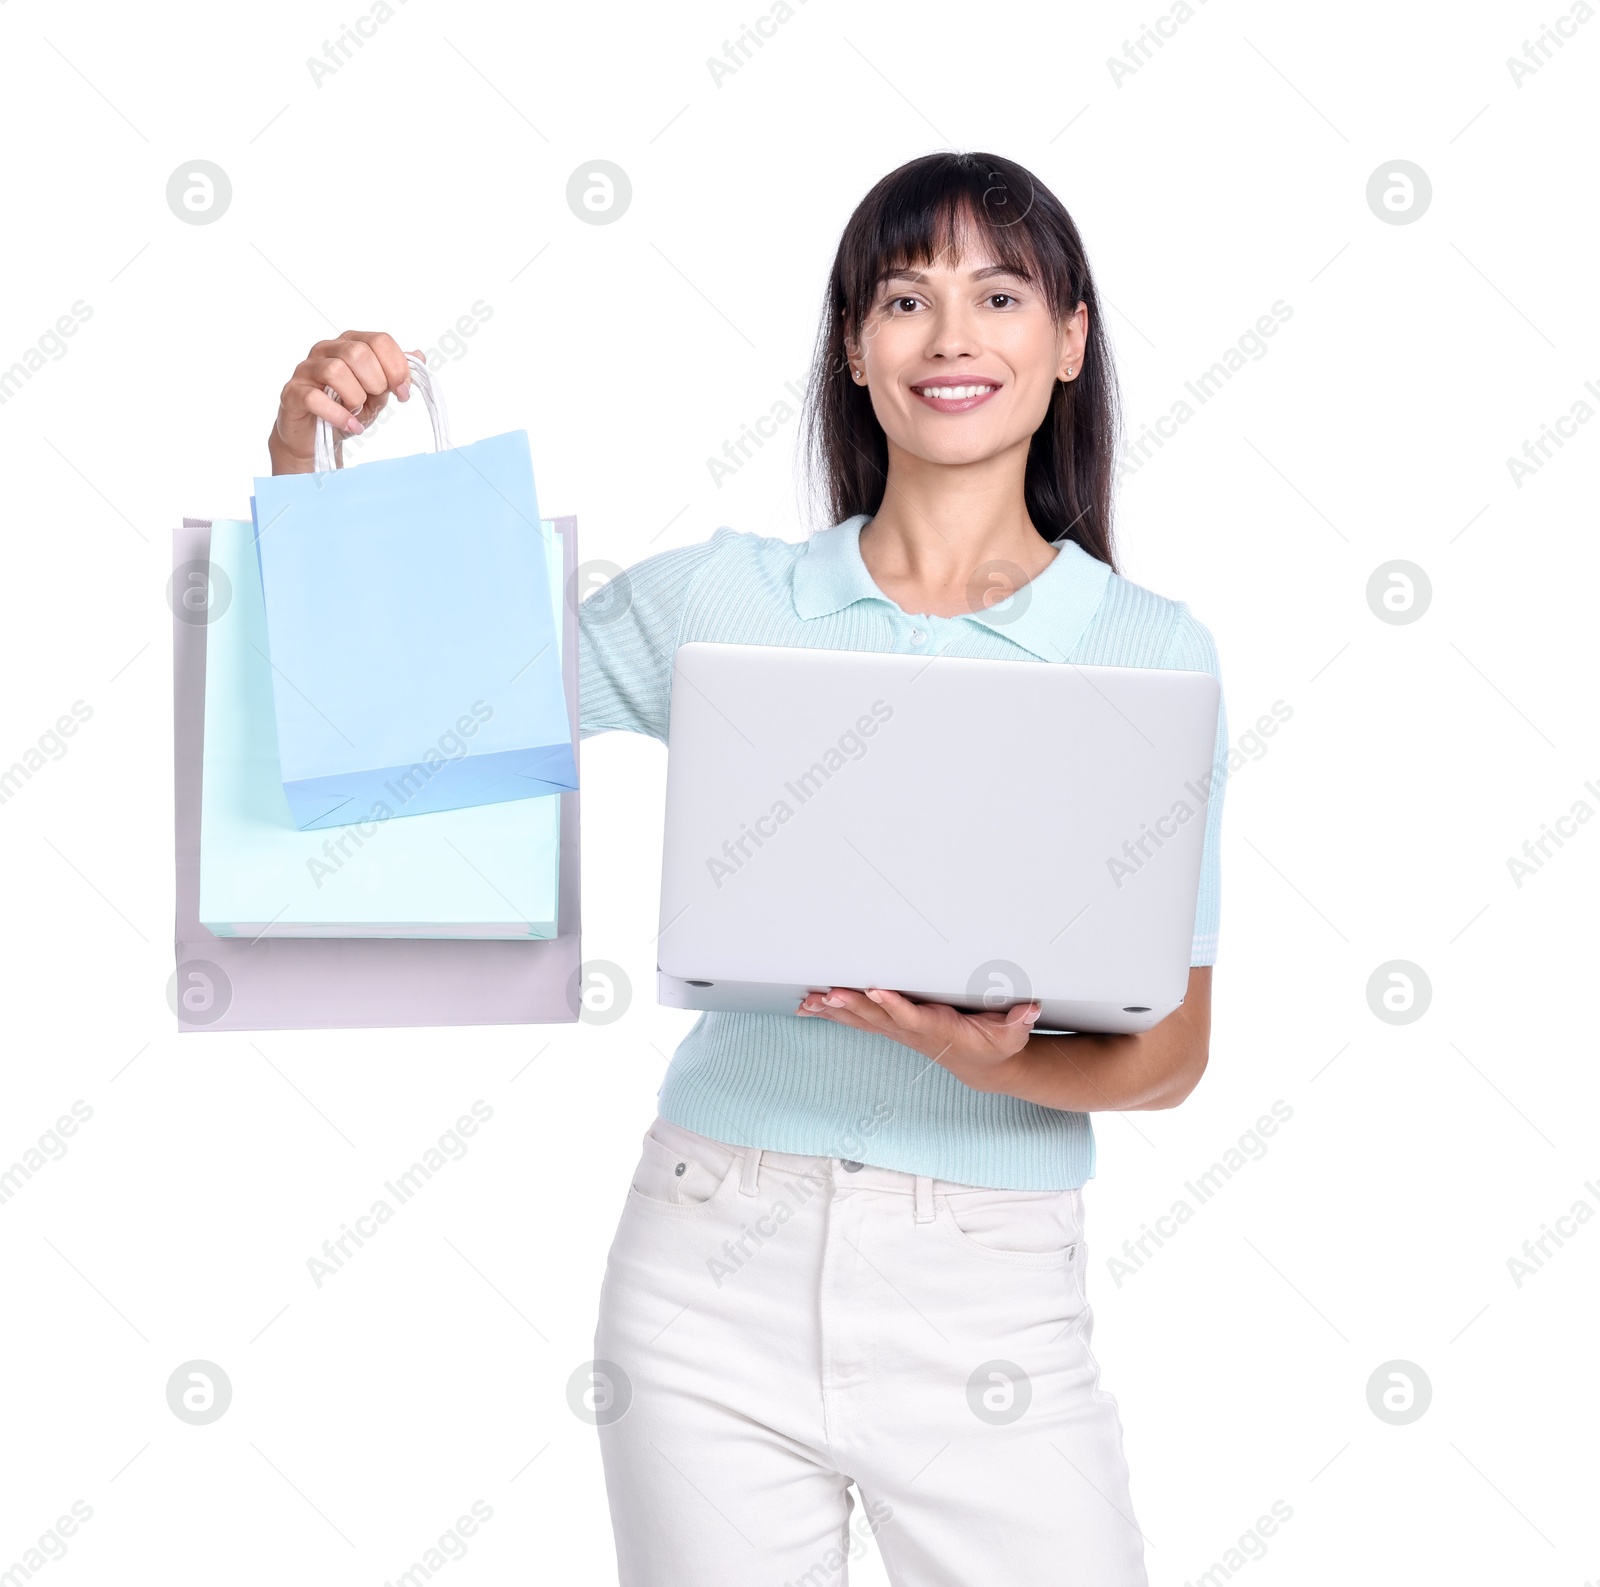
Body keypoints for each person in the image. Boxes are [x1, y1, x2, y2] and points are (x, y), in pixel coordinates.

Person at [266, 149, 1227, 1587]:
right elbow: (409, 718)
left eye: (1000, 294)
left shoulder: (1148, 651)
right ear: (855, 349)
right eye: (906, 298)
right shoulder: (724, 600)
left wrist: (988, 1066)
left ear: (1070, 339)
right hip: (707, 1265)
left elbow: (1174, 1055)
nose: (952, 336)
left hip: (989, 1296)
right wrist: (307, 461)